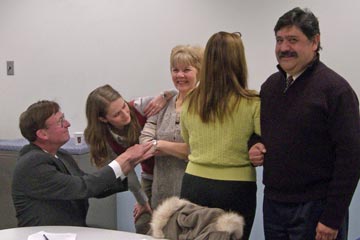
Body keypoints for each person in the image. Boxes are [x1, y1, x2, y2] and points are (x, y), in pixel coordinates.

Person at [248, 7, 360, 240]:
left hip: (317, 209)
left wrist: (332, 218)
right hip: (274, 205)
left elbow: (351, 158)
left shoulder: (336, 90)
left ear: (314, 42)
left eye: (293, 40)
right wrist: (255, 143)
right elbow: (261, 131)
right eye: (279, 40)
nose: (284, 48)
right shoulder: (270, 87)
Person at [12, 100, 153, 227]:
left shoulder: (61, 155)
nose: (68, 124)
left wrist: (130, 163)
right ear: (43, 134)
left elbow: (95, 188)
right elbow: (84, 187)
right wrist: (125, 157)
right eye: (61, 121)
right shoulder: (32, 164)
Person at [180, 31, 261, 240]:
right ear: (239, 61)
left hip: (194, 183)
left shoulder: (190, 101)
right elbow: (265, 140)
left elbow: (187, 140)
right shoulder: (252, 102)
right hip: (236, 187)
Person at [84, 85, 175, 234]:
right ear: (102, 119)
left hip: (173, 169)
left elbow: (181, 94)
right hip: (150, 176)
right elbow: (127, 173)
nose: (125, 114)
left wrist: (165, 95)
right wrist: (142, 201)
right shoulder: (104, 139)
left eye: (124, 106)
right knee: (143, 223)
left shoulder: (139, 107)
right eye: (116, 114)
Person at [139, 45, 203, 209]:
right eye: (175, 70)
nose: (180, 75)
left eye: (186, 70)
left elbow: (197, 150)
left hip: (193, 194)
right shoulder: (163, 103)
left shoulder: (204, 106)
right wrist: (178, 149)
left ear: (199, 71)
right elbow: (144, 142)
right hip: (161, 192)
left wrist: (159, 145)